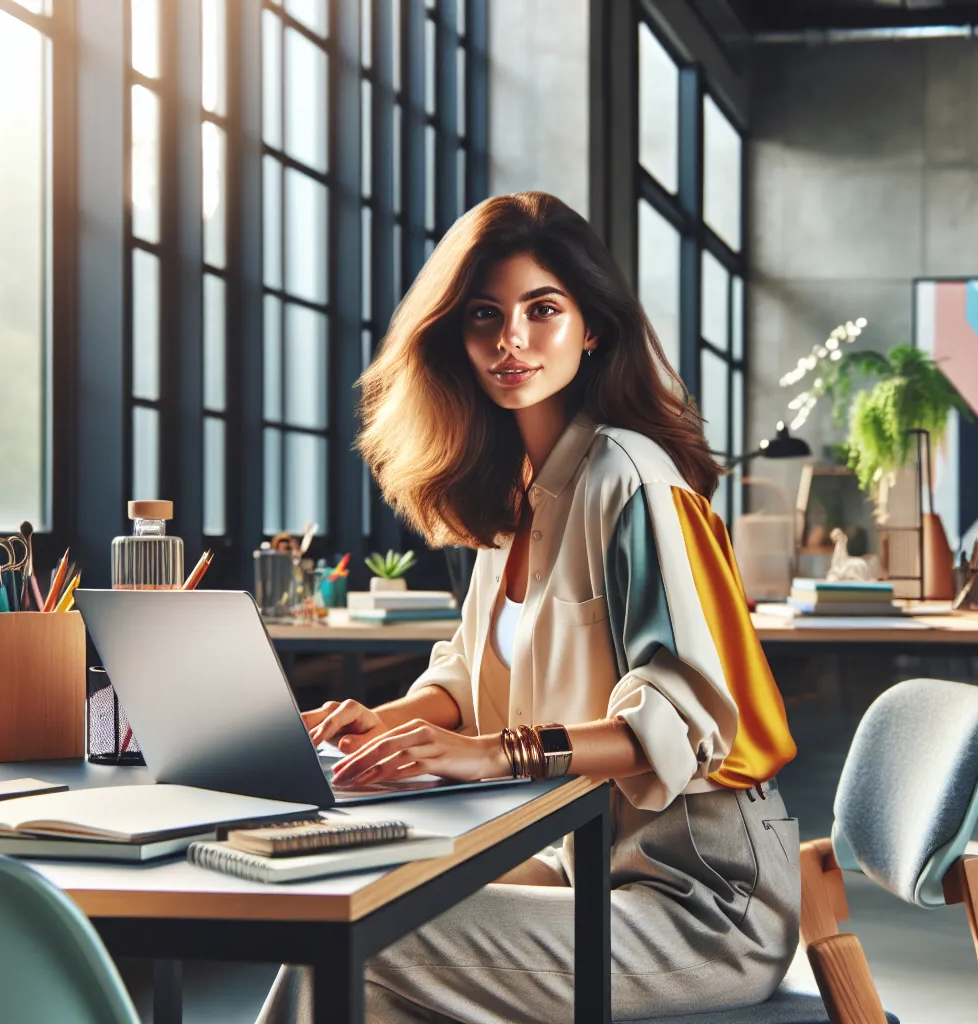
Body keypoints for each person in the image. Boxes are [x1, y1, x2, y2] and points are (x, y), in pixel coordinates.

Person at [257, 192, 799, 1024]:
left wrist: (490, 755)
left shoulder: (629, 477)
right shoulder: (517, 494)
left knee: (368, 941)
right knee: (353, 897)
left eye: (542, 310)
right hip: (581, 864)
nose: (511, 339)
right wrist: (379, 724)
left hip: (701, 899)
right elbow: (469, 676)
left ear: (593, 328)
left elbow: (680, 728)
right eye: (485, 314)